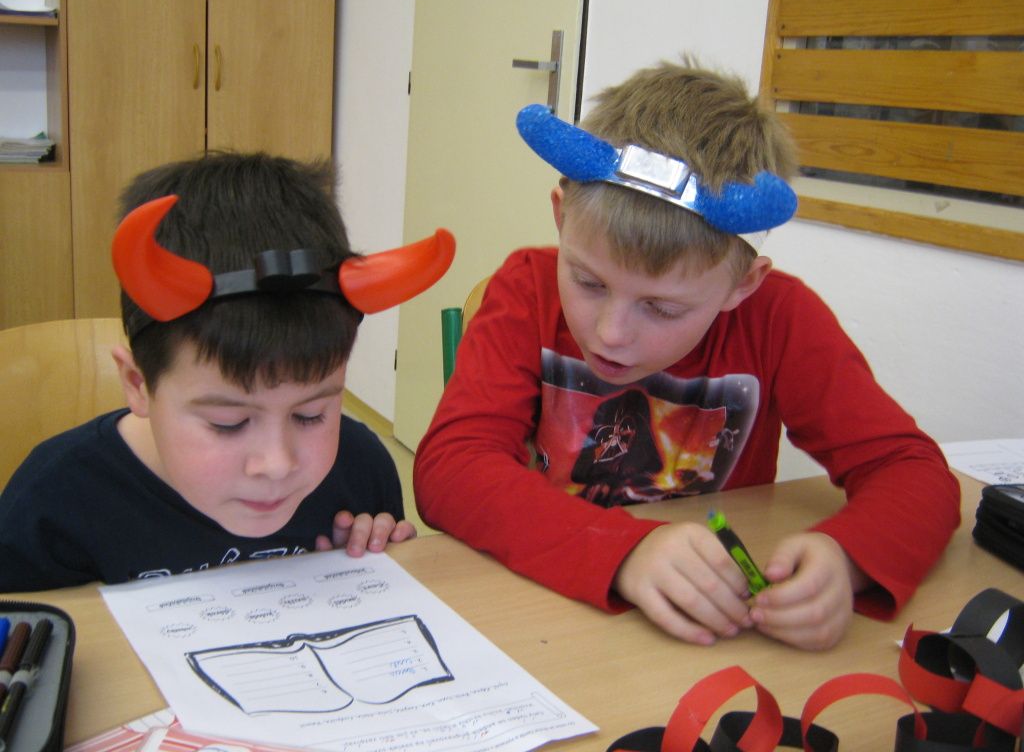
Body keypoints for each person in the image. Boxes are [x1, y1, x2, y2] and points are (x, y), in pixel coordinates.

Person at [413, 62, 960, 651]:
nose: (611, 333)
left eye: (662, 308)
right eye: (589, 282)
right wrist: (625, 550)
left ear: (743, 285)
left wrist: (847, 558)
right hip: (550, 615)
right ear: (560, 216)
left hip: (710, 631)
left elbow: (914, 473)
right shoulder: (526, 288)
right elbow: (452, 468)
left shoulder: (780, 319)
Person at [0, 152, 454, 592]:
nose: (277, 464)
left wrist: (367, 555)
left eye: (311, 414)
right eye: (228, 423)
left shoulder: (360, 471)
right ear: (138, 384)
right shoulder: (53, 503)